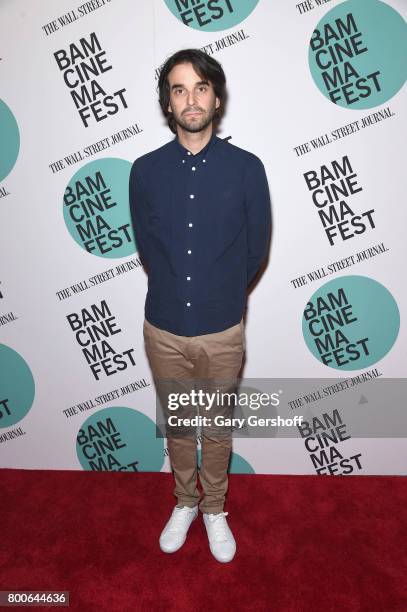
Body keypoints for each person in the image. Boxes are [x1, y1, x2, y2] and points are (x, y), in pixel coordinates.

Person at [129, 48, 271, 563]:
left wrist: (222, 298)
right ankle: (184, 501)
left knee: (215, 428)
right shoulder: (144, 171)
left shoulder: (247, 169)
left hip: (220, 330)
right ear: (168, 102)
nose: (191, 99)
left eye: (201, 87)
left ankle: (214, 508)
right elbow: (147, 248)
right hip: (163, 327)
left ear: (217, 96)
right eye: (179, 88)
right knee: (177, 422)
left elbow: (256, 249)